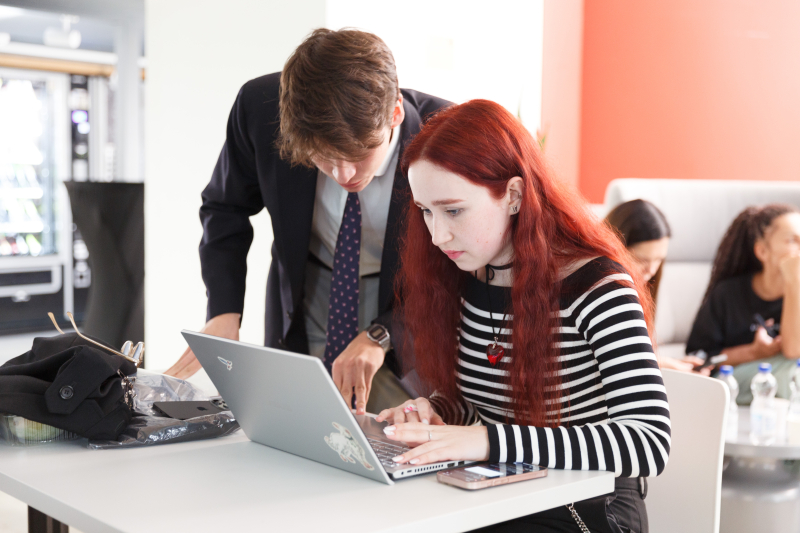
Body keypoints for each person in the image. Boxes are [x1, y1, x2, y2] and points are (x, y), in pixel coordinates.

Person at [376, 100, 669, 532]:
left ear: (513, 195)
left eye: (453, 210)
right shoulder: (468, 273)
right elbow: (486, 402)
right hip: (503, 493)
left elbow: (648, 443)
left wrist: (486, 441)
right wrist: (437, 412)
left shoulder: (596, 286)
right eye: (425, 211)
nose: (437, 235)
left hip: (586, 508)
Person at [164, 29, 451, 414]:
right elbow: (225, 206)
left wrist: (383, 333)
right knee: (295, 424)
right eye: (323, 158)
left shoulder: (447, 134)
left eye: (360, 153)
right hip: (307, 293)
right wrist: (223, 312)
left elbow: (455, 268)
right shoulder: (260, 109)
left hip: (408, 300)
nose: (343, 173)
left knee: (393, 435)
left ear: (395, 112)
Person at [686, 204, 800, 403]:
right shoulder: (727, 294)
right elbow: (699, 358)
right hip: (734, 382)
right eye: (792, 240)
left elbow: (792, 349)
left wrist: (793, 283)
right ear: (763, 251)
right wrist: (753, 352)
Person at [605, 199, 708, 374]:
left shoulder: (642, 285)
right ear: (614, 249)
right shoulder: (603, 290)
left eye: (659, 259)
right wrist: (668, 366)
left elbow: (633, 351)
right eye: (641, 260)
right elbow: (616, 357)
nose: (651, 270)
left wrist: (672, 365)